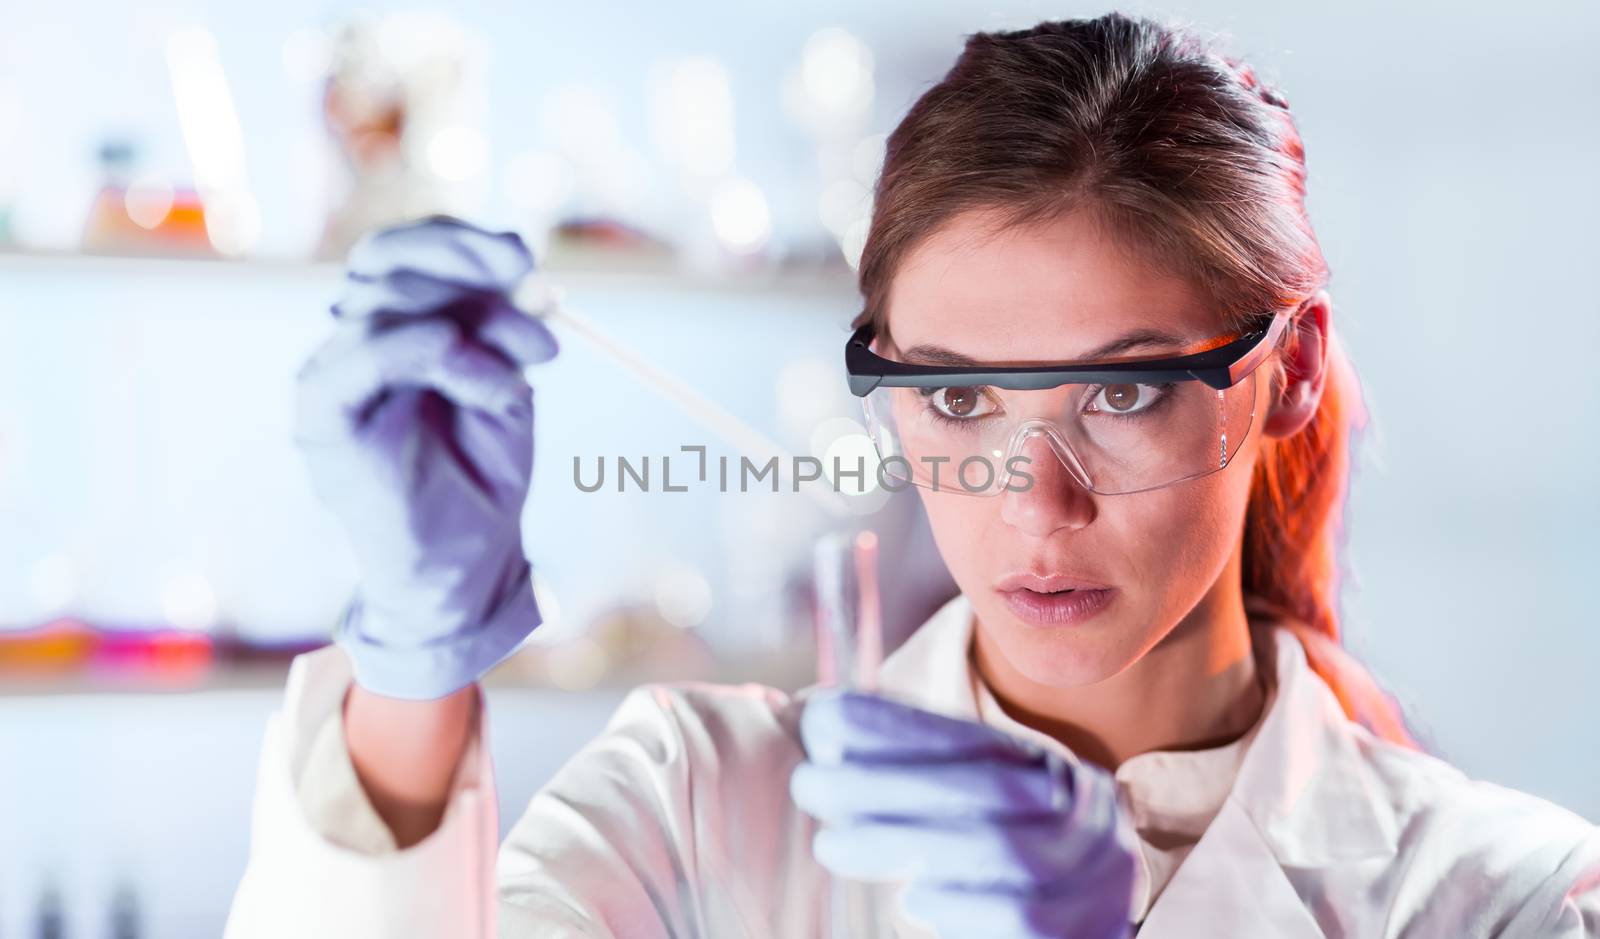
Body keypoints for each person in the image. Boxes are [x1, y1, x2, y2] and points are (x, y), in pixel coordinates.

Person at [224, 14, 1600, 938]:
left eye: (1122, 389)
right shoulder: (696, 805)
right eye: (954, 393)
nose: (1031, 502)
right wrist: (411, 657)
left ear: (1289, 371)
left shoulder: (1509, 894)